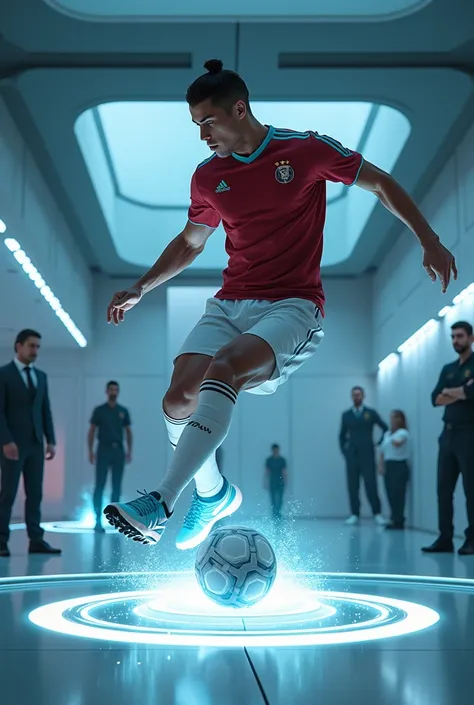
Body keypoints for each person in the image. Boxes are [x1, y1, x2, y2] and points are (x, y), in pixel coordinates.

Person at [103, 58, 457, 550]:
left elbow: (379, 183)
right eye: (195, 125)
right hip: (230, 305)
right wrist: (142, 286)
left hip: (293, 306)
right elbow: (190, 241)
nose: (202, 135)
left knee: (222, 370)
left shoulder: (306, 150)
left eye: (208, 121)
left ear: (240, 109)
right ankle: (213, 494)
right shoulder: (207, 177)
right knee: (176, 398)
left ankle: (161, 501)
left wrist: (429, 239)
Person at [0, 329, 61, 557]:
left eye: (37, 347)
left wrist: (51, 440)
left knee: (35, 494)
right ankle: (1, 541)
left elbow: (45, 410)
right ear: (18, 346)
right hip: (12, 445)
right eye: (31, 346)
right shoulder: (3, 374)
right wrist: (5, 440)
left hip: (36, 444)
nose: (35, 351)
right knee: (8, 494)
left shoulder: (41, 376)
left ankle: (36, 540)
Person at [422, 321, 474, 556]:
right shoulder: (448, 368)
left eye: (460, 336)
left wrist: (454, 392)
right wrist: (461, 391)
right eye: (452, 336)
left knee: (470, 489)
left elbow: (471, 393)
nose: (455, 340)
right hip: (448, 434)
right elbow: (435, 398)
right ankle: (445, 538)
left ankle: (471, 539)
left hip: (469, 433)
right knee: (443, 489)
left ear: (471, 338)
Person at [339, 386, 388, 526]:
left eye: (359, 395)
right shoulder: (346, 415)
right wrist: (345, 452)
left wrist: (378, 443)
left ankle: (377, 514)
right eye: (354, 395)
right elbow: (342, 436)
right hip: (352, 457)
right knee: (353, 486)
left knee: (371, 485)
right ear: (351, 397)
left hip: (367, 455)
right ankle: (355, 514)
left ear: (363, 396)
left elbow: (385, 428)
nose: (357, 397)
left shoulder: (371, 413)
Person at [88, 381, 132, 532]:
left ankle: (115, 520)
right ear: (107, 391)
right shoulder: (99, 411)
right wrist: (90, 451)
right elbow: (92, 431)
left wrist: (129, 451)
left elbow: (128, 431)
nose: (114, 392)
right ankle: (97, 521)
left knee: (116, 487)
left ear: (118, 392)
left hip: (118, 450)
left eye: (116, 389)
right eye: (111, 389)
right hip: (103, 449)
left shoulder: (123, 411)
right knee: (99, 485)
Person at [378, 410, 410, 530]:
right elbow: (382, 451)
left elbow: (398, 443)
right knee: (390, 492)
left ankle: (399, 520)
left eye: (395, 418)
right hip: (389, 464)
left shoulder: (403, 432)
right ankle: (393, 518)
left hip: (399, 464)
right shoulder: (387, 434)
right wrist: (381, 466)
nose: (392, 420)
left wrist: (391, 438)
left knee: (398, 493)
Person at [264, 444, 288, 519]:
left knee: (280, 499)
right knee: (273, 499)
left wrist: (285, 480)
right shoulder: (269, 460)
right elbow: (267, 471)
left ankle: (278, 512)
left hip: (280, 481)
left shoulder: (282, 460)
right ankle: (274, 513)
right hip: (272, 481)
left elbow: (284, 471)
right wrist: (265, 481)